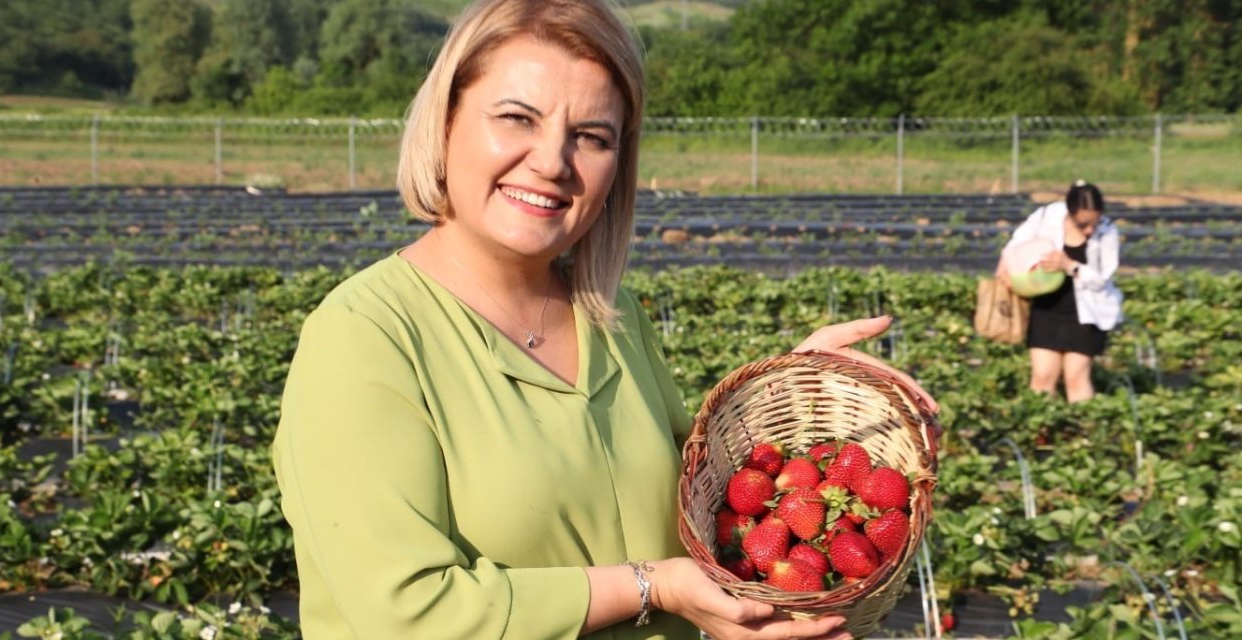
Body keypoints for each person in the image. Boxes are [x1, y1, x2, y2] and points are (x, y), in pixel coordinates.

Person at [271, 1, 937, 638]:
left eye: (591, 137)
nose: (551, 162)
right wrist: (651, 588)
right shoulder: (366, 336)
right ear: (445, 123)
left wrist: (784, 393)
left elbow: (705, 501)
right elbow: (405, 613)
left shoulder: (610, 318)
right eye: (517, 118)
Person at [996, 180, 1123, 402]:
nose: (1090, 230)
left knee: (1076, 378)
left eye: (1094, 223)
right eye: (1083, 224)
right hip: (1046, 308)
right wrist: (1006, 269)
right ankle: (1041, 422)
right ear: (1070, 212)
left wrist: (1070, 265)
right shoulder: (1047, 217)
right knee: (1042, 377)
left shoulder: (1107, 231)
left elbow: (1102, 279)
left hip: (1086, 313)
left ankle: (1083, 423)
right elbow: (1014, 245)